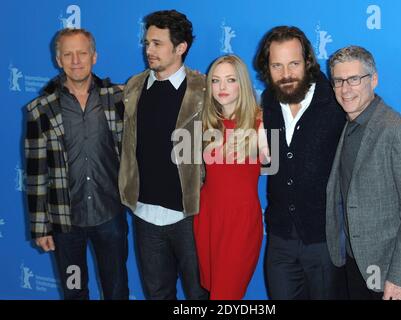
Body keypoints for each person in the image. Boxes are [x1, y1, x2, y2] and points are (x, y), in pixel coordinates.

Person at [24, 28, 128, 300]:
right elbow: (35, 173)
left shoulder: (118, 98)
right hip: (65, 222)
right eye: (68, 55)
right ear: (58, 60)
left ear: (94, 56)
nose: (76, 60)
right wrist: (40, 227)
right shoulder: (40, 109)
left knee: (116, 291)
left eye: (82, 53)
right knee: (74, 292)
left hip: (111, 215)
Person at [326, 45, 401, 300]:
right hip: (354, 263)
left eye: (354, 79)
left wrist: (399, 279)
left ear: (373, 80)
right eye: (338, 81)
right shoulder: (349, 124)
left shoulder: (397, 131)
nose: (345, 89)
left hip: (389, 274)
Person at [118, 10, 207, 300]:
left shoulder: (204, 90)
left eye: (157, 44)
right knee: (157, 293)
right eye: (147, 43)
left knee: (199, 294)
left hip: (190, 214)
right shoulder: (133, 86)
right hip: (144, 214)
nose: (148, 50)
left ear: (181, 48)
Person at [254, 26, 347, 299]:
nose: (286, 75)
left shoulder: (336, 99)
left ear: (307, 61)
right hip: (280, 239)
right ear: (266, 68)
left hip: (325, 240)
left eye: (293, 64)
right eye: (277, 66)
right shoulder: (267, 102)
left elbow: (374, 132)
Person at [193, 55, 269, 299]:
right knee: (213, 289)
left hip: (241, 221)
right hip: (207, 216)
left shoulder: (261, 122)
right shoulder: (206, 123)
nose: (222, 87)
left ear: (242, 84)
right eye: (216, 80)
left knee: (225, 294)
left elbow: (272, 162)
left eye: (230, 80)